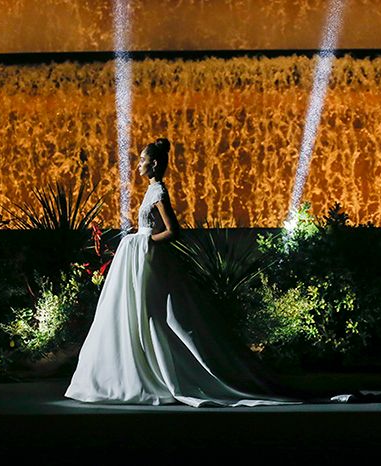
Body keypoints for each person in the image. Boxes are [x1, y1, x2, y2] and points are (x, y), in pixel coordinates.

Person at [64, 138, 304, 407]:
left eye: (142, 160)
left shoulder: (158, 193)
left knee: (157, 314)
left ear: (153, 164)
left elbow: (172, 231)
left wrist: (142, 242)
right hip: (140, 259)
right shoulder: (151, 191)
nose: (139, 165)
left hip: (150, 259)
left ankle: (169, 372)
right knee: (142, 313)